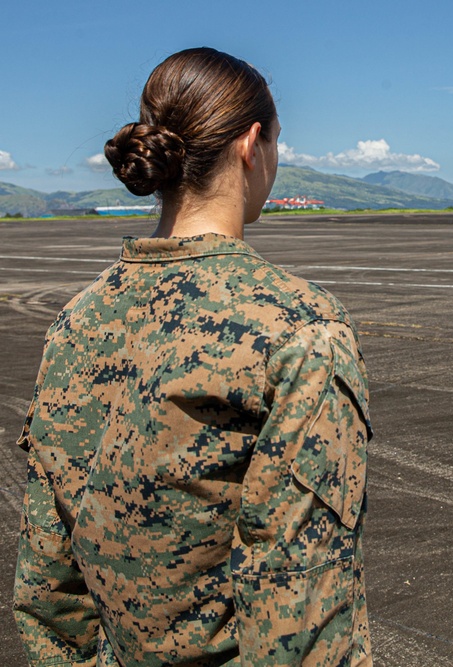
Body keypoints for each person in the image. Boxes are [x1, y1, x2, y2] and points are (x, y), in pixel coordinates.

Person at [13, 48, 372, 665]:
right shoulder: (297, 323)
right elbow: (301, 601)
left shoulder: (77, 319)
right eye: (277, 145)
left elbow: (49, 577)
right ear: (251, 145)